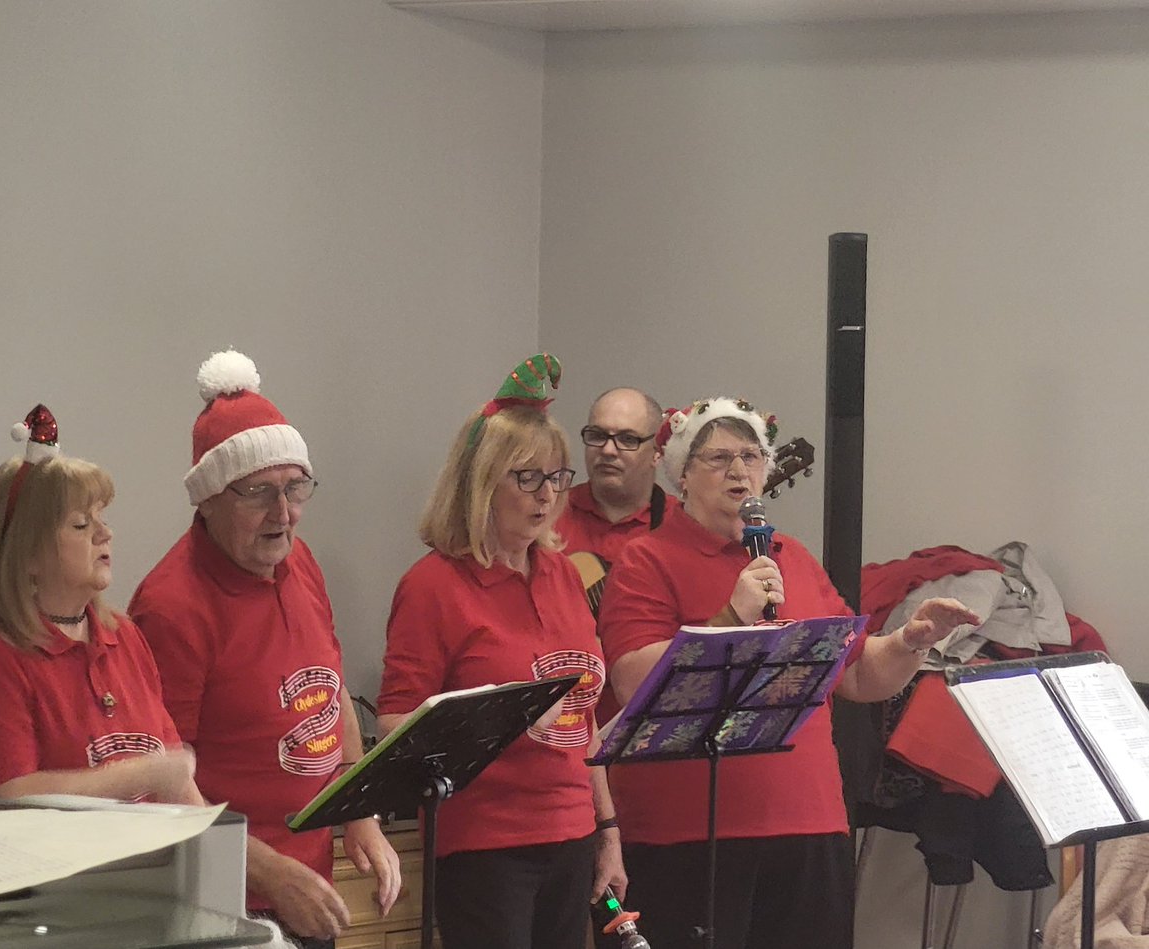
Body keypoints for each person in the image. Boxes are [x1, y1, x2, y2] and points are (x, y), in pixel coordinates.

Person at [597, 396, 980, 949]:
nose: (739, 471)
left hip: (810, 823)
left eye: (751, 457)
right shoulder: (646, 560)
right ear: (682, 472)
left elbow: (855, 676)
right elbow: (633, 681)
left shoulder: (790, 555)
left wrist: (909, 641)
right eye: (719, 458)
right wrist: (732, 616)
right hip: (685, 835)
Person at [128, 350, 400, 949]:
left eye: (295, 489)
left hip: (305, 884)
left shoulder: (299, 562)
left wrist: (358, 810)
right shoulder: (171, 607)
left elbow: (330, 696)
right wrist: (273, 874)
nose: (284, 515)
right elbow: (165, 786)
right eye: (259, 494)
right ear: (208, 499)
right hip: (224, 903)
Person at [376, 353, 626, 949]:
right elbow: (393, 723)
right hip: (486, 845)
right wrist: (492, 719)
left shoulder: (565, 576)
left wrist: (608, 831)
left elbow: (583, 717)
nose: (547, 496)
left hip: (571, 832)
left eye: (558, 477)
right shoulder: (433, 585)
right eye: (527, 477)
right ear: (482, 482)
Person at [0, 404, 199, 809]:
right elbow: (4, 797)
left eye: (102, 518)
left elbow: (176, 781)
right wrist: (141, 774)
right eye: (81, 524)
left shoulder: (124, 635)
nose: (105, 533)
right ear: (26, 554)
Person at [555, 387, 677, 569]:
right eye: (597, 436)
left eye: (627, 439)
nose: (608, 450)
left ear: (658, 452)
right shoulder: (549, 513)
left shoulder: (680, 524)